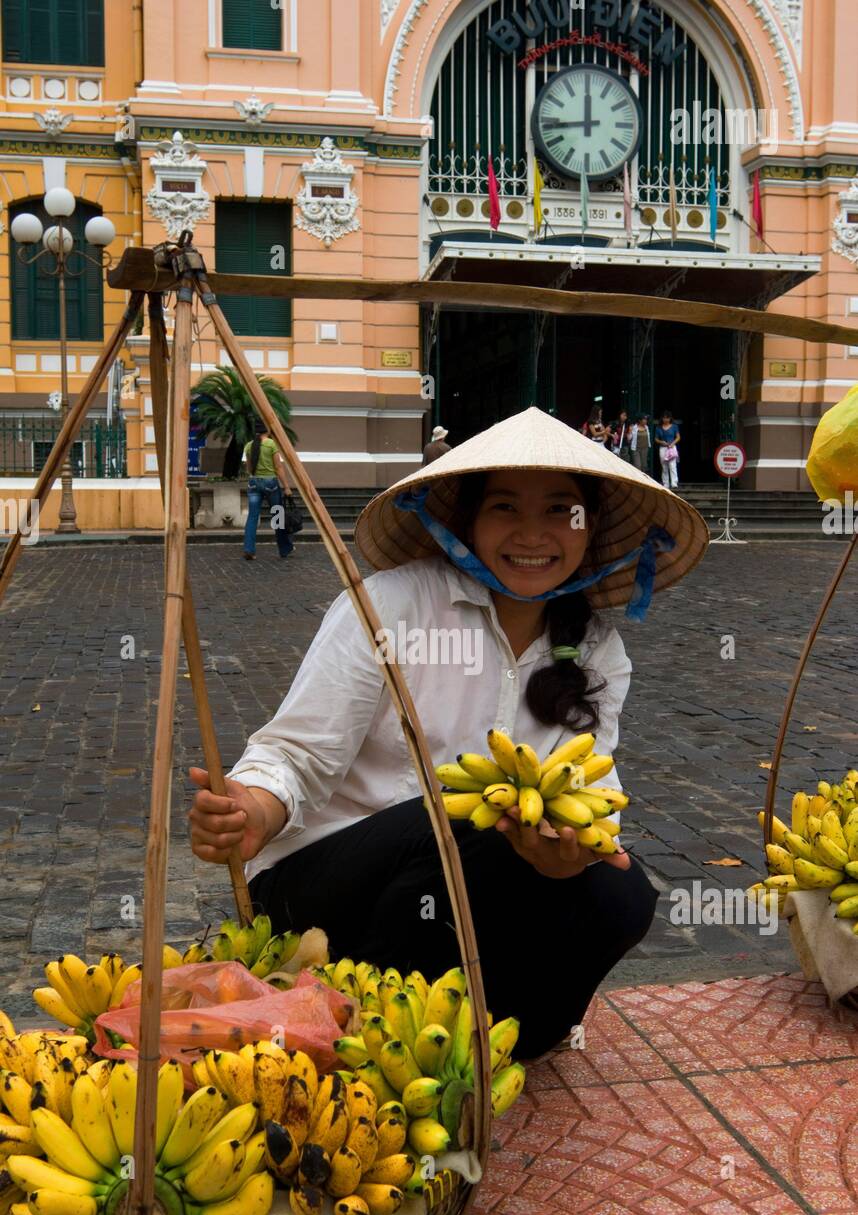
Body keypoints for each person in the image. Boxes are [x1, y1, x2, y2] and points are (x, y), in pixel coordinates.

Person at [188, 407, 708, 1058]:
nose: (531, 534)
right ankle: (357, 1030)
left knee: (621, 895)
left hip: (461, 895)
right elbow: (297, 754)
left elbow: (589, 787)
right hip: (324, 886)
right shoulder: (391, 605)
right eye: (504, 509)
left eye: (558, 511)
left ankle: (501, 1037)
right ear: (467, 518)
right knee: (466, 819)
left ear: (589, 526)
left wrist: (568, 851)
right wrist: (254, 809)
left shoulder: (597, 651)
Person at [241, 422, 295, 561]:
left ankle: (249, 549)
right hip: (270, 483)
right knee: (277, 516)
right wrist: (287, 487)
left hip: (253, 483)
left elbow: (249, 468)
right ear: (267, 431)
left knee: (252, 517)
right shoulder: (271, 444)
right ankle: (284, 548)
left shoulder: (249, 445)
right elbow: (278, 467)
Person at [655, 411, 681, 491]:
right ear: (662, 418)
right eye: (664, 418)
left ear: (670, 418)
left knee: (672, 465)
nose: (665, 419)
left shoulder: (674, 426)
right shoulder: (658, 427)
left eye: (667, 418)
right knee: (664, 465)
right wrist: (661, 442)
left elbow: (678, 437)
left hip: (672, 448)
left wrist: (673, 443)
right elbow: (656, 439)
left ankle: (674, 482)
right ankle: (665, 483)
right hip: (663, 448)